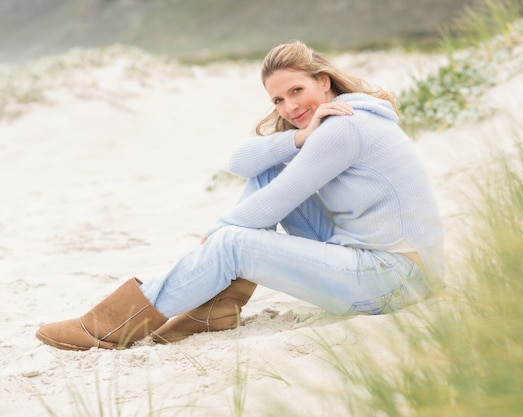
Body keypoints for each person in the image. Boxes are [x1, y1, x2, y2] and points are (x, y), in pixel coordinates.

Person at [36, 41, 445, 351]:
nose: (289, 106)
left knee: (232, 241)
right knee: (266, 170)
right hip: (380, 264)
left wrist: (218, 235)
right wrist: (300, 137)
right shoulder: (334, 122)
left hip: (395, 280)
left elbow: (280, 199)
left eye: (297, 91)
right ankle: (215, 308)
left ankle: (106, 326)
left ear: (324, 82)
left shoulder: (345, 127)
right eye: (278, 100)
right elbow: (242, 161)